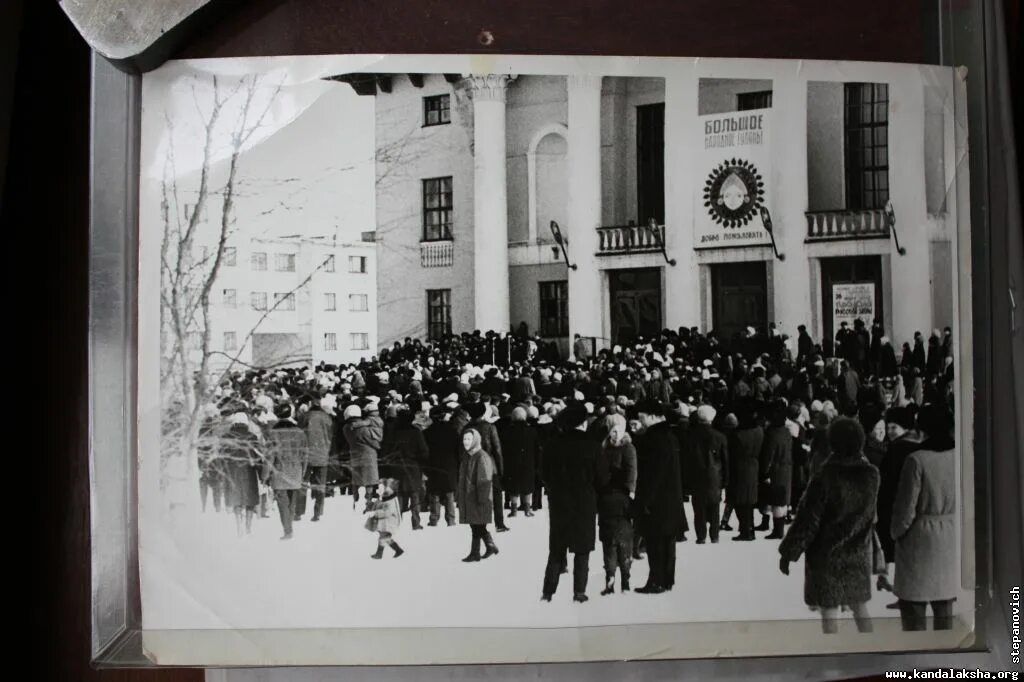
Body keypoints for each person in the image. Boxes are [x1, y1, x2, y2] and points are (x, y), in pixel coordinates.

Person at [778, 417, 880, 634]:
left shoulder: (824, 477)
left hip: (826, 555)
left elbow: (808, 521)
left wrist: (789, 552)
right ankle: (874, 650)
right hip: (858, 551)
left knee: (829, 611)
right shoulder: (871, 475)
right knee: (860, 607)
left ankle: (833, 654)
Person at [891, 404, 958, 631]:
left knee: (914, 611)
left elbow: (905, 507)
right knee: (945, 608)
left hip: (919, 539)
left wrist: (896, 532)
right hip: (950, 534)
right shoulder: (957, 457)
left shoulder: (916, 460)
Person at [541, 402, 600, 603]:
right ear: (583, 422)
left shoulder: (553, 443)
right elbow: (601, 476)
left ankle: (548, 591)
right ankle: (579, 591)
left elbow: (544, 473)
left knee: (557, 548)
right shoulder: (592, 444)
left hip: (559, 501)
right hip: (584, 501)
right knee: (582, 550)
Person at [634, 399, 685, 594]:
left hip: (656, 500)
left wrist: (646, 500)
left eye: (643, 417)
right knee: (668, 543)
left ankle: (655, 580)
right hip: (671, 498)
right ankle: (667, 580)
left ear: (654, 416)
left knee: (654, 542)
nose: (641, 421)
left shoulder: (653, 438)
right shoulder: (670, 436)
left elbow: (653, 474)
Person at [596, 413, 637, 595]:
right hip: (623, 500)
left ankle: (610, 576)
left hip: (607, 499)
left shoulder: (603, 447)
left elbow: (599, 473)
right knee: (624, 541)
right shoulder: (628, 447)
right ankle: (625, 579)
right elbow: (631, 472)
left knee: (609, 542)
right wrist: (631, 492)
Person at [681, 404, 728, 544]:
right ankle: (715, 535)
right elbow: (725, 460)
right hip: (715, 476)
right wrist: (725, 479)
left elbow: (686, 461)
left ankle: (701, 536)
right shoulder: (720, 437)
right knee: (715, 507)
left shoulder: (691, 436)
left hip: (697, 476)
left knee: (699, 509)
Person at [262, 403, 308, 540]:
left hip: (279, 472)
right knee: (292, 501)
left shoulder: (272, 433)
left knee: (282, 504)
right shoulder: (300, 433)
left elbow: (269, 457)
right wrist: (303, 472)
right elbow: (305, 455)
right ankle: (290, 523)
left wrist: (264, 475)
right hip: (296, 471)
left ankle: (288, 530)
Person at [380, 407, 429, 530]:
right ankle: (416, 523)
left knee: (399, 495)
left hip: (396, 466)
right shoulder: (416, 432)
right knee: (414, 494)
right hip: (412, 466)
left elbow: (386, 450)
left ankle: (397, 521)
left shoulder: (393, 432)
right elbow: (424, 451)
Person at [457, 428, 499, 562]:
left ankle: (477, 552)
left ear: (475, 440)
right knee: (476, 525)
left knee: (477, 525)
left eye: (469, 439)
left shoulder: (481, 456)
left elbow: (485, 479)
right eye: (464, 439)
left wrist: (483, 498)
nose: (466, 442)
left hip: (478, 498)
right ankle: (487, 547)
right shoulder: (467, 456)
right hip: (470, 497)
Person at [467, 402, 509, 532]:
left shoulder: (466, 429)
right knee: (496, 495)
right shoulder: (490, 427)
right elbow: (497, 449)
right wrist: (501, 468)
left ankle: (481, 522)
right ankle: (499, 523)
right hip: (490, 464)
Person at [726, 401, 763, 541]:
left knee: (740, 501)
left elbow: (732, 453)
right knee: (750, 500)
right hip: (754, 466)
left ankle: (745, 530)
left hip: (740, 467)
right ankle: (750, 528)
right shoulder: (759, 431)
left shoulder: (737, 434)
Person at [221, 410, 261, 536]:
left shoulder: (226, 437)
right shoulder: (252, 437)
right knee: (250, 499)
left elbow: (223, 457)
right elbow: (258, 457)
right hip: (249, 471)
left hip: (233, 471)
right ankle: (248, 527)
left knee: (236, 498)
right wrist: (261, 473)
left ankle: (239, 526)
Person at [760, 400, 793, 539]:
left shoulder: (771, 433)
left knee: (776, 500)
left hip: (776, 469)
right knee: (782, 499)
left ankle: (777, 531)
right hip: (787, 467)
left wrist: (764, 471)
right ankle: (779, 529)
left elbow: (768, 455)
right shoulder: (787, 432)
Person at [423, 406, 460, 526]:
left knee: (434, 492)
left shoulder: (427, 432)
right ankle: (451, 519)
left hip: (433, 464)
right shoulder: (453, 430)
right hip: (450, 465)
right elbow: (458, 450)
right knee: (449, 493)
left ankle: (434, 518)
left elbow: (424, 451)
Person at [342, 403, 382, 511]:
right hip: (368, 456)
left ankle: (356, 500)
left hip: (354, 455)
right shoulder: (363, 429)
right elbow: (374, 442)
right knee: (369, 481)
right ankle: (368, 502)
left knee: (356, 479)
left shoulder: (346, 428)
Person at [500, 406, 539, 516]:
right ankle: (527, 509)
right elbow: (536, 449)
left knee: (513, 486)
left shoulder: (507, 431)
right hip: (528, 462)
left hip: (512, 462)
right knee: (527, 484)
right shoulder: (532, 431)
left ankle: (513, 510)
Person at [304, 396, 333, 522]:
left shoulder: (305, 417)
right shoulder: (327, 417)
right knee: (320, 484)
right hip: (322, 453)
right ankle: (318, 511)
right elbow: (331, 434)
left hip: (306, 454)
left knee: (303, 483)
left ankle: (299, 511)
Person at [365, 478, 405, 559]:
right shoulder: (386, 498)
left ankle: (379, 554)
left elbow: (386, 512)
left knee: (383, 537)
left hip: (390, 521)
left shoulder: (390, 501)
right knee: (385, 537)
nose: (378, 490)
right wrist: (371, 506)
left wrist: (375, 513)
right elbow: (379, 504)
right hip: (385, 521)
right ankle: (398, 550)